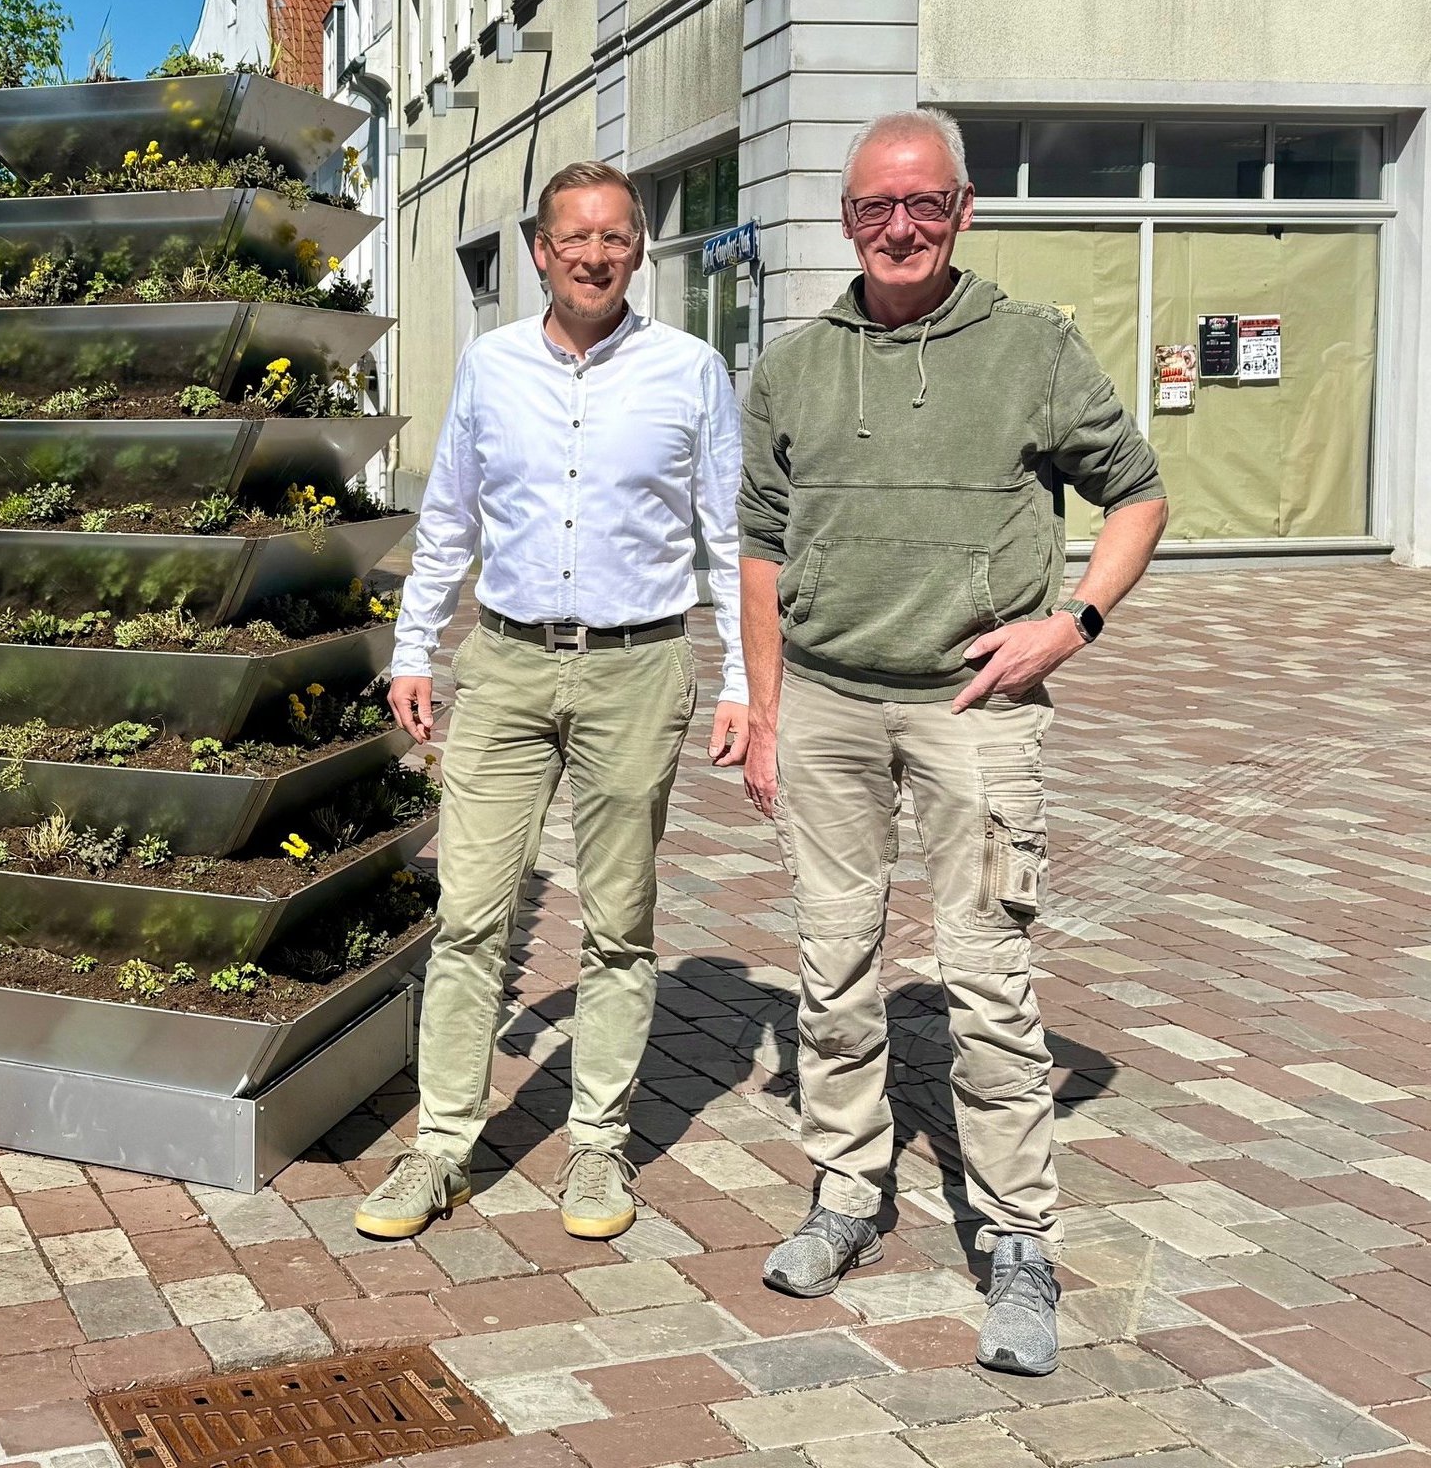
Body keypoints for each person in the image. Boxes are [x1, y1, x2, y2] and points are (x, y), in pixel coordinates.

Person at [737, 109, 1167, 1376]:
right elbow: (760, 547)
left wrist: (1072, 622)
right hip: (824, 705)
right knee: (832, 968)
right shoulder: (795, 366)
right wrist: (763, 709)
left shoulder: (1032, 347)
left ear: (965, 209)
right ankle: (847, 1193)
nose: (902, 227)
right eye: (878, 208)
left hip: (973, 711)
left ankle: (1021, 1239)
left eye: (925, 203)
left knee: (988, 983)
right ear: (848, 219)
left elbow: (1136, 491)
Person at [354, 161, 751, 1244]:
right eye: (574, 237)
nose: (593, 254)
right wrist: (414, 649)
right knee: (471, 913)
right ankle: (440, 1147)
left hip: (640, 667)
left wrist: (746, 682)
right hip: (509, 665)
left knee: (621, 923)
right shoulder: (490, 367)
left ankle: (596, 1142)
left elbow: (729, 536)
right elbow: (448, 522)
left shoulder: (691, 371)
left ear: (638, 250)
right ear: (540, 249)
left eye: (615, 237)